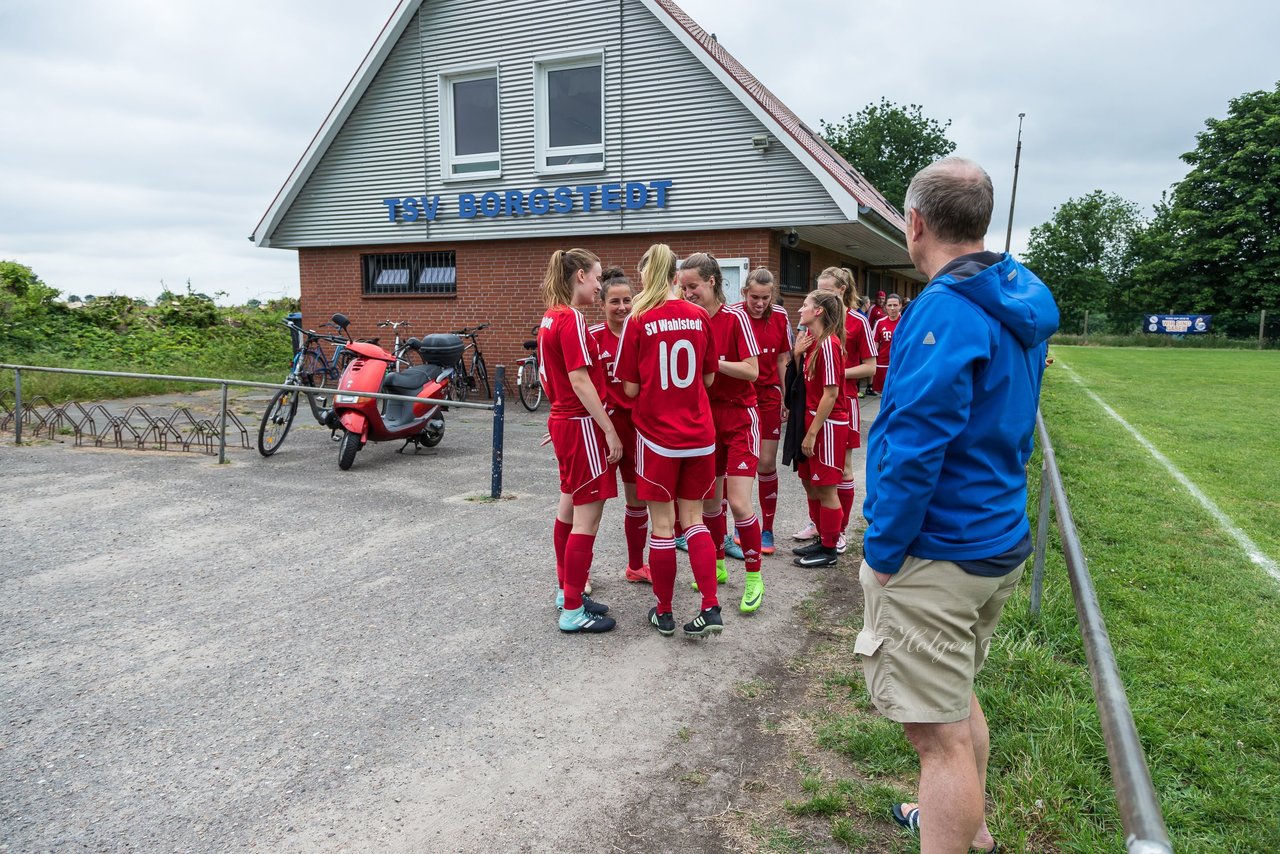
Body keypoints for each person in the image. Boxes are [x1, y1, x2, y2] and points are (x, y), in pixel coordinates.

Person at [857, 157, 1058, 853]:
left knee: (935, 736)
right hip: (995, 535)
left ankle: (952, 823)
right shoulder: (1015, 292)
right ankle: (969, 830)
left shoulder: (943, 308)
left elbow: (915, 444)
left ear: (915, 224)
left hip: (940, 550)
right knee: (956, 697)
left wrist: (883, 551)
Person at [615, 244, 723, 637]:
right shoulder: (699, 315)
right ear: (677, 276)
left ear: (647, 276)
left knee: (662, 526)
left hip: (658, 436)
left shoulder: (638, 318)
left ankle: (664, 611)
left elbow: (628, 388)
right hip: (699, 433)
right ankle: (710, 606)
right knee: (693, 520)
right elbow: (709, 379)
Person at [538, 248, 624, 634]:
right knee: (587, 516)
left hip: (567, 421)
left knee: (569, 508)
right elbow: (579, 380)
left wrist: (559, 417)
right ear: (579, 277)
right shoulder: (570, 317)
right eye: (597, 276)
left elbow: (550, 376)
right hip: (581, 424)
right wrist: (607, 428)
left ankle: (566, 591)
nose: (599, 284)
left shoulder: (550, 317)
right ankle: (572, 609)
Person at [680, 253, 766, 614]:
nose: (687, 294)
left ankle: (753, 576)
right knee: (710, 502)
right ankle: (715, 563)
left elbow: (752, 371)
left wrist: (712, 363)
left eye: (693, 286)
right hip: (705, 421)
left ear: (712, 282)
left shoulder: (735, 318)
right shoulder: (688, 318)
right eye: (683, 288)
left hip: (740, 418)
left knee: (740, 501)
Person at [790, 267, 876, 555]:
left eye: (825, 290)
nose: (818, 296)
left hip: (839, 406)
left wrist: (836, 373)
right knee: (813, 476)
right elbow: (805, 374)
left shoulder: (849, 327)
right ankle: (823, 529)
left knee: (839, 472)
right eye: (819, 289)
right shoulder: (814, 331)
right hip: (816, 408)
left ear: (840, 290)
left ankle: (836, 534)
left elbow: (869, 368)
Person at [589, 266, 652, 585]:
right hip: (602, 429)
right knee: (591, 504)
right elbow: (576, 383)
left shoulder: (641, 333)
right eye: (615, 301)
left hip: (636, 428)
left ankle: (636, 566)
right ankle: (579, 573)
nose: (622, 307)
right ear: (602, 303)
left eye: (628, 300)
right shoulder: (592, 337)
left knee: (637, 499)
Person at [788, 289, 848, 568]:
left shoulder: (829, 344)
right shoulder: (812, 343)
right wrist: (797, 356)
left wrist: (812, 432)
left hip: (827, 426)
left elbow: (831, 393)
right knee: (809, 483)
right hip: (811, 422)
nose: (800, 310)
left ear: (819, 311)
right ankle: (823, 537)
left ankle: (830, 549)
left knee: (826, 488)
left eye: (805, 305)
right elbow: (803, 385)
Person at [738, 268, 791, 557]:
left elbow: (783, 357)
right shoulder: (734, 315)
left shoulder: (780, 316)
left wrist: (785, 395)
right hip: (741, 394)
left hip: (769, 394)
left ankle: (767, 528)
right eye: (755, 297)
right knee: (740, 463)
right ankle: (741, 520)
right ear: (744, 292)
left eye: (765, 298)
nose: (759, 303)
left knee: (766, 462)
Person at [870, 293, 902, 394]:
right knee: (883, 394)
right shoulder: (880, 322)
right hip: (883, 364)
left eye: (895, 305)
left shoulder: (906, 322)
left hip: (900, 363)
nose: (892, 308)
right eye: (889, 305)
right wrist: (873, 362)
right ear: (886, 307)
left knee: (898, 393)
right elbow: (874, 344)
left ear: (900, 306)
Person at [865, 291, 888, 397]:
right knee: (874, 361)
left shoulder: (884, 309)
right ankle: (870, 386)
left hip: (884, 338)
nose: (881, 300)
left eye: (883, 299)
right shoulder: (873, 308)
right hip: (874, 338)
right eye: (879, 298)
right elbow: (868, 322)